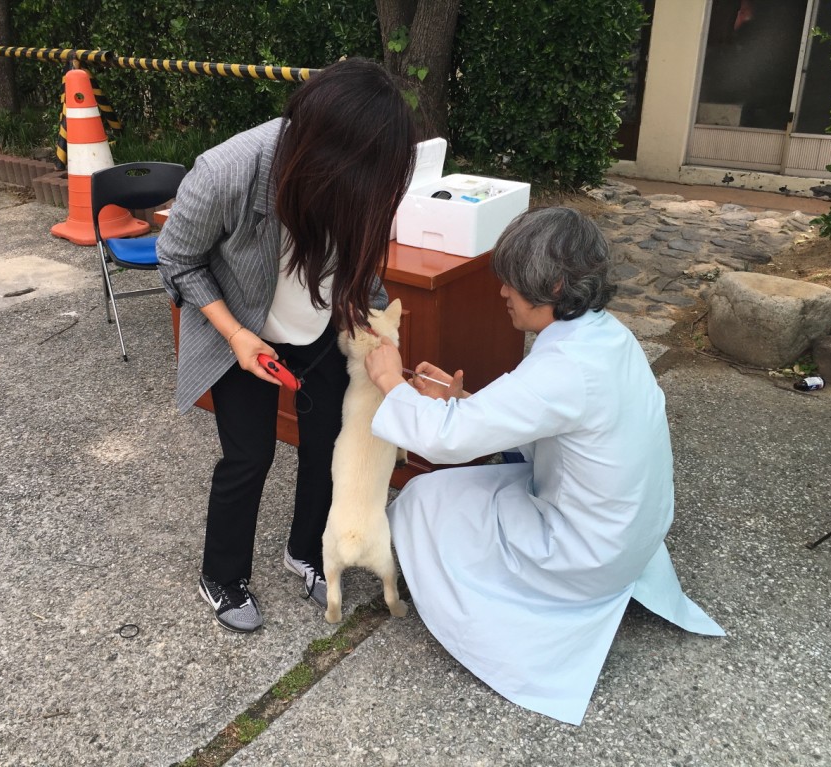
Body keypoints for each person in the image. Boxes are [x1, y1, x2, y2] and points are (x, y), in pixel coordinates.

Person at [364, 206, 725, 725]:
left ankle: (499, 620)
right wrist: (464, 399)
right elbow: (538, 416)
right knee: (476, 486)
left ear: (553, 285)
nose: (503, 293)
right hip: (629, 535)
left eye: (512, 282)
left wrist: (389, 382)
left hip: (587, 556)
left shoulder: (565, 366)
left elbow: (448, 440)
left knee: (423, 499)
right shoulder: (606, 337)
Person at [155, 58, 418, 633]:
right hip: (242, 329)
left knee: (328, 444)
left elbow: (362, 269)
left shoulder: (353, 179)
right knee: (249, 456)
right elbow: (175, 259)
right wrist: (236, 334)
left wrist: (382, 335)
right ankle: (221, 576)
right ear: (322, 147)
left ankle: (305, 550)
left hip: (318, 328)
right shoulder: (228, 170)